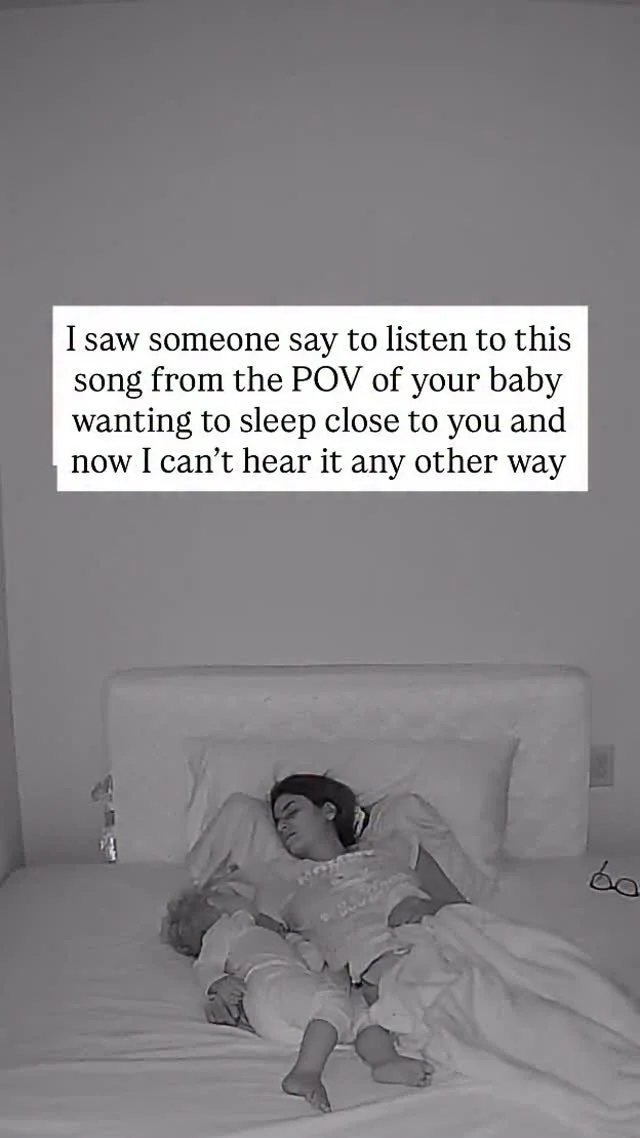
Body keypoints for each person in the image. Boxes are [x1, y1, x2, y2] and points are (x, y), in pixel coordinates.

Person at [266, 774, 640, 1133]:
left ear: (328, 810)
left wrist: (424, 907)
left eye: (291, 812)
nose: (283, 826)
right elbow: (262, 948)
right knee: (520, 1022)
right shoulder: (285, 891)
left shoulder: (395, 847)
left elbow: (456, 904)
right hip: (397, 970)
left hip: (454, 938)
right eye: (277, 822)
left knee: (565, 988)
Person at [162, 876, 431, 1113]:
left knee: (362, 1013)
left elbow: (311, 960)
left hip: (292, 1016)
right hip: (268, 980)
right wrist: (217, 983)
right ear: (215, 904)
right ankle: (305, 1073)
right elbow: (206, 965)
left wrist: (294, 941)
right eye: (233, 895)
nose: (247, 900)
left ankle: (385, 1060)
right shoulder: (228, 926)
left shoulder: (263, 932)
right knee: (332, 1001)